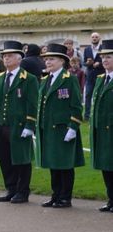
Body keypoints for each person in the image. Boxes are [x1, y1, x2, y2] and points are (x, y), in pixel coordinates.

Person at [0, 41, 39, 204]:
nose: (6, 59)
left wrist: (30, 125)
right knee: (5, 159)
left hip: (18, 125)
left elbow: (32, 103)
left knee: (21, 159)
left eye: (10, 56)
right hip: (2, 125)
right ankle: (11, 188)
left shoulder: (28, 79)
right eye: (4, 56)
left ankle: (23, 191)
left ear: (19, 59)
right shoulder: (0, 77)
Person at [37, 44, 85, 208]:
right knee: (53, 164)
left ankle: (65, 197)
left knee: (65, 165)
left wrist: (73, 127)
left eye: (51, 59)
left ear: (62, 61)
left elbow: (77, 106)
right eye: (46, 59)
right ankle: (55, 195)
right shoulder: (46, 79)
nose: (47, 62)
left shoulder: (69, 78)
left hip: (63, 129)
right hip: (49, 129)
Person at [89, 39, 113, 211]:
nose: (104, 60)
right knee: (106, 167)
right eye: (103, 57)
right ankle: (111, 199)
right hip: (102, 132)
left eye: (109, 57)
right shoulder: (100, 79)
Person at [82, 32, 102, 117]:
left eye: (96, 37)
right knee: (88, 95)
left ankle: (99, 114)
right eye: (93, 37)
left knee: (100, 95)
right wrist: (87, 63)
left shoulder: (103, 48)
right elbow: (84, 63)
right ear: (91, 39)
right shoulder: (87, 49)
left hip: (100, 75)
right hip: (90, 76)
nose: (94, 38)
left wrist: (99, 63)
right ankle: (87, 115)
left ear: (99, 38)